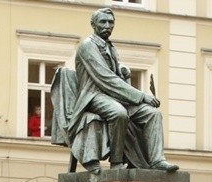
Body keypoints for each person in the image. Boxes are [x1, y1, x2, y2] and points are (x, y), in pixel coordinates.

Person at [60, 7, 179, 173]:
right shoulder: (87, 46)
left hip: (114, 96)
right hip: (94, 95)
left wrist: (121, 67)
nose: (107, 25)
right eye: (103, 22)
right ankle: (116, 162)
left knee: (153, 114)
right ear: (93, 24)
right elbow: (106, 78)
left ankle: (157, 160)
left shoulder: (110, 46)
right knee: (119, 113)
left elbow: (113, 72)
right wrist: (141, 96)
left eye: (110, 22)